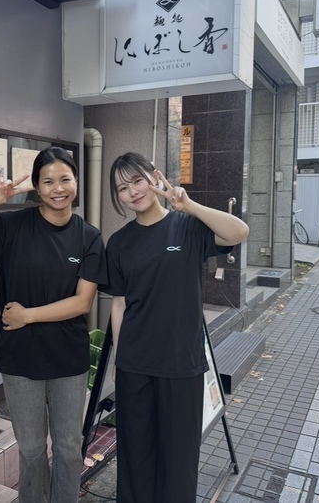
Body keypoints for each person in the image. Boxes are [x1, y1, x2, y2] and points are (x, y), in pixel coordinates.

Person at [0, 147, 107, 503]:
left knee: (68, 447)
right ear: (37, 187)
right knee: (30, 449)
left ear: (76, 182)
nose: (58, 189)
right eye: (48, 181)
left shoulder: (88, 236)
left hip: (67, 358)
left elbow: (83, 302)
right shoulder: (11, 226)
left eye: (65, 179)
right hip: (20, 357)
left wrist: (27, 315)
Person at [101, 152, 249, 503]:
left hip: (182, 363)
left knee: (179, 458)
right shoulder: (119, 242)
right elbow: (119, 304)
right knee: (136, 455)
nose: (133, 192)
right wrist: (120, 360)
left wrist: (189, 205)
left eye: (137, 181)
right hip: (135, 364)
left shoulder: (187, 227)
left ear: (154, 178)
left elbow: (238, 232)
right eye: (122, 188)